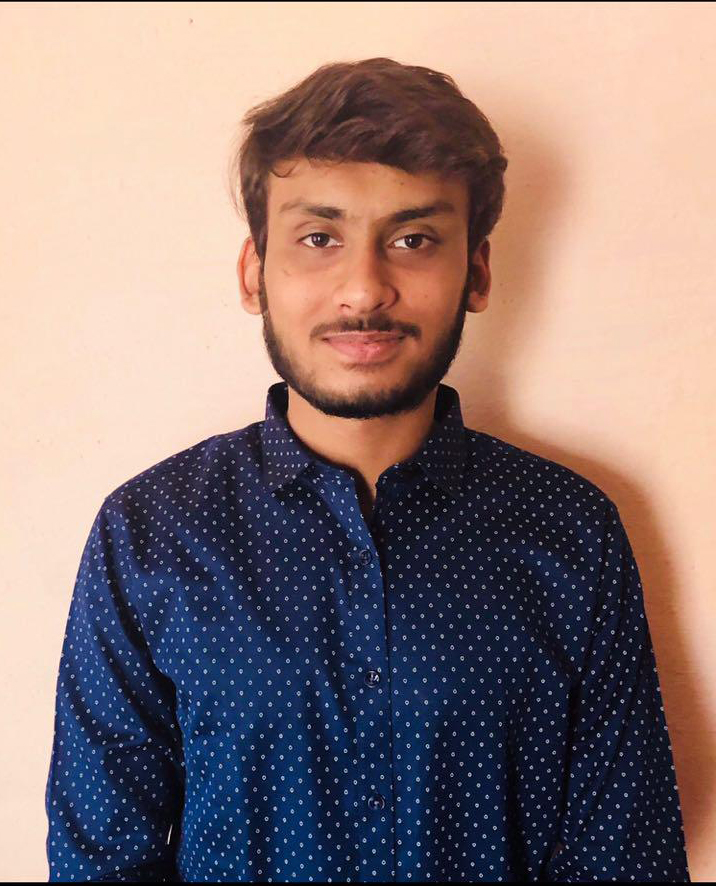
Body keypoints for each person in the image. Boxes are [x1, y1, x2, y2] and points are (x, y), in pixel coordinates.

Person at [45, 57, 690, 882]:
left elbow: (625, 859)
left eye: (413, 240)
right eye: (319, 239)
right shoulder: (150, 533)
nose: (362, 289)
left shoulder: (571, 530)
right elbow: (101, 861)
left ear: (477, 272)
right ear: (253, 273)